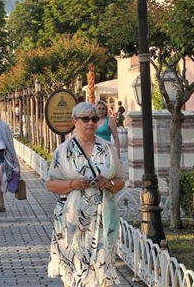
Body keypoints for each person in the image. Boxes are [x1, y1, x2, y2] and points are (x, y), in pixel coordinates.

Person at [46, 102, 127, 287]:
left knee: (102, 270)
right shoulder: (63, 151)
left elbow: (121, 181)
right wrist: (72, 184)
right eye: (85, 119)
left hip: (101, 218)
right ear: (75, 121)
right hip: (71, 220)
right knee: (74, 269)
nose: (90, 122)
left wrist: (109, 183)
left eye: (94, 119)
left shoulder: (108, 149)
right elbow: (50, 184)